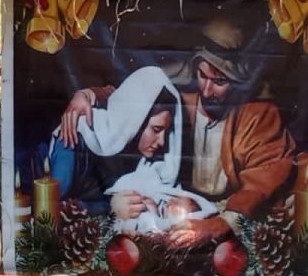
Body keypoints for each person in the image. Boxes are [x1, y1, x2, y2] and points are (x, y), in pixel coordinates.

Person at [60, 19, 296, 251]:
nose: (207, 90)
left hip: (230, 214)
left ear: (238, 83)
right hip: (177, 213)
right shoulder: (180, 99)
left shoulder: (258, 115)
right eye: (203, 76)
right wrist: (89, 95)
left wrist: (214, 225)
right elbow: (128, 95)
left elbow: (258, 187)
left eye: (220, 82)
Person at [51, 66, 215, 233]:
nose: (162, 142)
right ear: (134, 122)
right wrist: (109, 209)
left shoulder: (144, 156)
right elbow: (51, 212)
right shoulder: (72, 143)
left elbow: (160, 191)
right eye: (157, 130)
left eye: (167, 131)